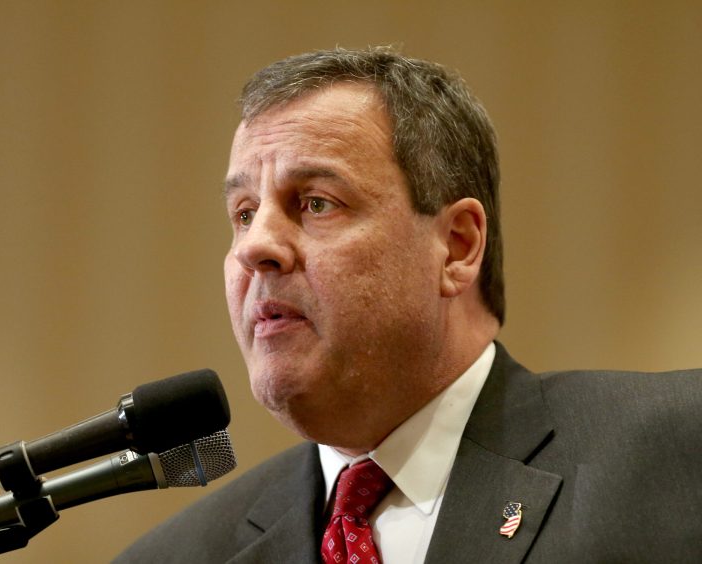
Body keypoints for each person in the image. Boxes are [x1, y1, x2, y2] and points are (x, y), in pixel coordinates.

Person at [115, 47, 702, 563]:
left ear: (457, 246)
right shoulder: (178, 555)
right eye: (243, 213)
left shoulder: (675, 451)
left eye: (316, 202)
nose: (255, 247)